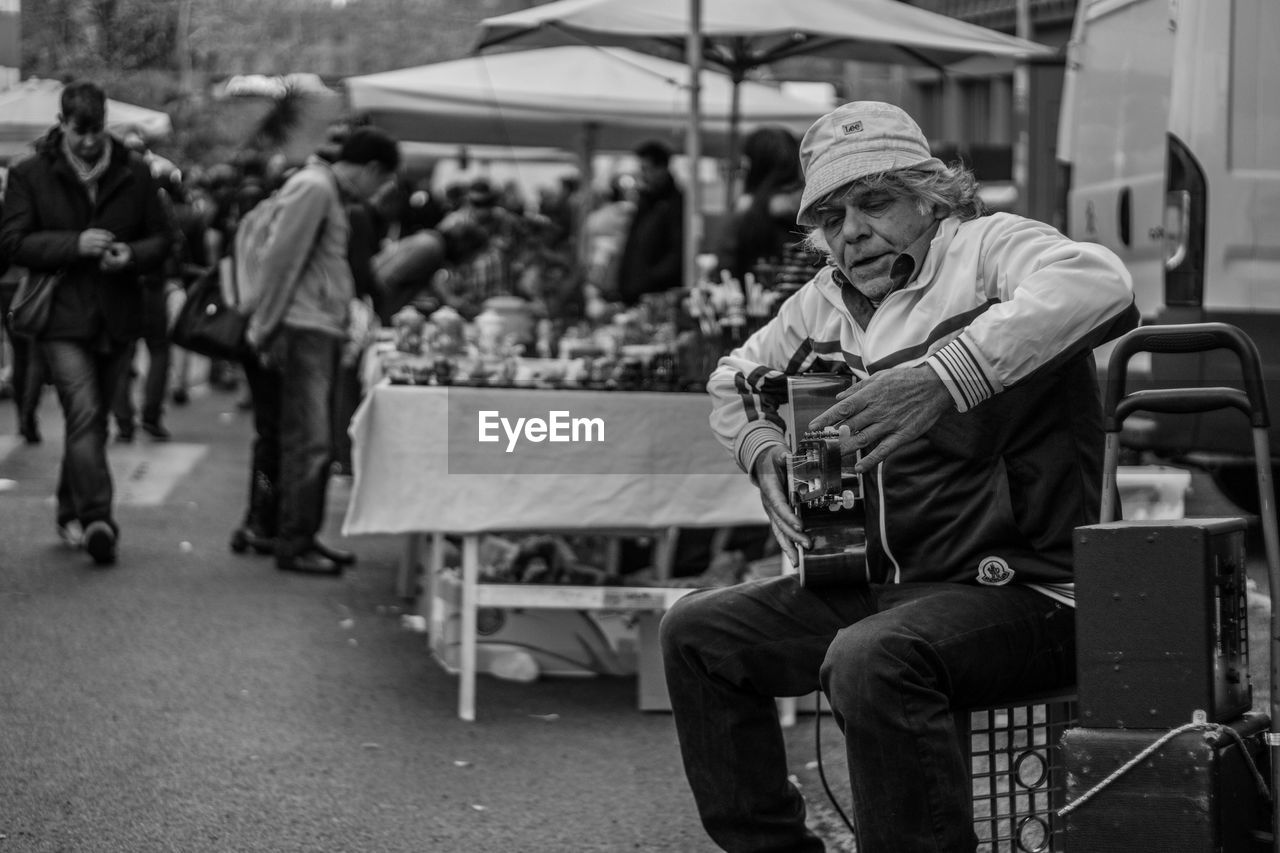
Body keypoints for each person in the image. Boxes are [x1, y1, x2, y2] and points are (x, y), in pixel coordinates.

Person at [660, 101, 1139, 853]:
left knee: (873, 656)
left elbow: (1101, 282)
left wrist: (946, 377)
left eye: (874, 201)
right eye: (829, 216)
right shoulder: (821, 299)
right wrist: (763, 451)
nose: (850, 231)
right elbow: (734, 377)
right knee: (697, 632)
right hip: (883, 583)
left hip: (1029, 589)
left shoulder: (987, 248)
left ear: (931, 195)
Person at [0, 80, 171, 565]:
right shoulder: (30, 172)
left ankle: (70, 506)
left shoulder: (136, 172)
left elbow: (164, 240)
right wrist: (74, 245)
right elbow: (12, 242)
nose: (90, 141)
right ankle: (99, 517)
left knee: (88, 422)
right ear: (62, 124)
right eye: (80, 132)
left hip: (118, 314)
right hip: (61, 315)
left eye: (97, 130)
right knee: (86, 413)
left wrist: (129, 255)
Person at [232, 126, 401, 575]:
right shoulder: (314, 189)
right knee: (311, 442)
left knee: (304, 440)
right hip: (304, 328)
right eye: (381, 182)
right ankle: (294, 540)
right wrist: (264, 327)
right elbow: (280, 260)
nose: (378, 193)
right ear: (370, 169)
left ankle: (295, 534)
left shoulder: (323, 190)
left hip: (314, 326)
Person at [714, 125, 814, 292]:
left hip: (753, 308)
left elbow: (724, 272)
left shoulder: (746, 213)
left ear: (755, 165)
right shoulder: (812, 208)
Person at [616, 139, 684, 305]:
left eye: (646, 169)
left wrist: (648, 280)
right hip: (635, 292)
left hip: (655, 295)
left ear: (661, 168)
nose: (643, 174)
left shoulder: (675, 205)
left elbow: (676, 253)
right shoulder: (646, 201)